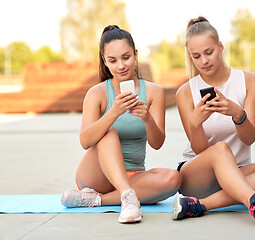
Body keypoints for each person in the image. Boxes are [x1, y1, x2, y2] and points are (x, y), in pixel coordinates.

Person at [172, 17, 255, 230]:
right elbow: (199, 150)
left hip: (236, 172)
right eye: (196, 56)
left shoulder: (249, 81)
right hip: (197, 176)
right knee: (219, 150)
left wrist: (238, 114)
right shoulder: (184, 93)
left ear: (220, 46)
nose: (204, 61)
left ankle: (199, 206)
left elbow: (249, 138)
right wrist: (196, 124)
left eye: (209, 52)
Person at [61, 25, 182, 223]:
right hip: (96, 175)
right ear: (104, 61)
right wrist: (113, 112)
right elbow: (85, 141)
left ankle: (97, 200)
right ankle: (128, 197)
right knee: (108, 132)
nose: (121, 66)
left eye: (126, 57)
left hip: (134, 175)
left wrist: (148, 118)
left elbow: (157, 143)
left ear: (135, 54)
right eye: (113, 60)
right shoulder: (96, 93)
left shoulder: (153, 92)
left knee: (174, 179)